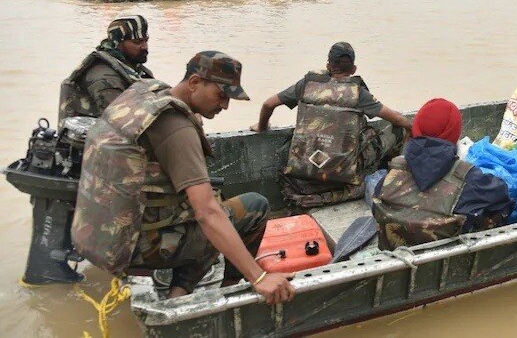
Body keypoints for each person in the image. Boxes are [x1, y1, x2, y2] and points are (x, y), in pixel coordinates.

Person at [71, 51, 295, 304]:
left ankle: (178, 292)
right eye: (221, 95)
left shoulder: (143, 91)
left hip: (94, 235)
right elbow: (207, 213)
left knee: (206, 214)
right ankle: (228, 289)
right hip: (131, 248)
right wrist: (259, 276)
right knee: (250, 207)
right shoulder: (177, 127)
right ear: (194, 83)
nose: (225, 105)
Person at [251, 42, 411, 207]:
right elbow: (398, 119)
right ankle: (393, 178)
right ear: (354, 69)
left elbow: (268, 104)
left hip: (304, 166)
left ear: (328, 65)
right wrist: (412, 127)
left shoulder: (307, 84)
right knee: (397, 130)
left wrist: (262, 127)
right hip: (343, 170)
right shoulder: (358, 93)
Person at [372, 98, 513, 249]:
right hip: (449, 258)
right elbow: (502, 195)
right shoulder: (470, 178)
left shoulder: (391, 175)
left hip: (397, 255)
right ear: (455, 135)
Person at [59, 15, 154, 122]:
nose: (145, 47)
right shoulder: (105, 79)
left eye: (146, 40)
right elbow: (120, 122)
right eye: (137, 42)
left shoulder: (133, 69)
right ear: (118, 44)